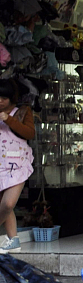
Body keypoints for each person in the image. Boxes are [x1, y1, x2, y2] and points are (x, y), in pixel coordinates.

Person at [0, 82, 35, 256]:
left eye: (4, 98)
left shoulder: (22, 112)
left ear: (12, 98)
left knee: (8, 204)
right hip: (0, 164)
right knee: (3, 203)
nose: (0, 101)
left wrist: (8, 119)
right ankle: (13, 240)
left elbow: (30, 133)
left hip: (17, 164)